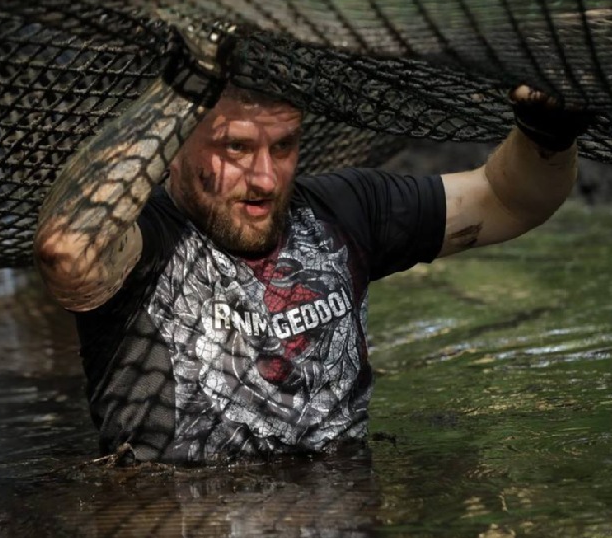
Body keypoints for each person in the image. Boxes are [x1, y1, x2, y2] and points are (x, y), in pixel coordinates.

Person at [33, 24, 591, 464]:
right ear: (173, 149)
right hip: (182, 515)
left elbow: (508, 199)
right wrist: (195, 74)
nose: (266, 178)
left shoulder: (346, 209)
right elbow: (68, 251)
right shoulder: (144, 239)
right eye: (235, 148)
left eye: (283, 146)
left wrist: (546, 136)